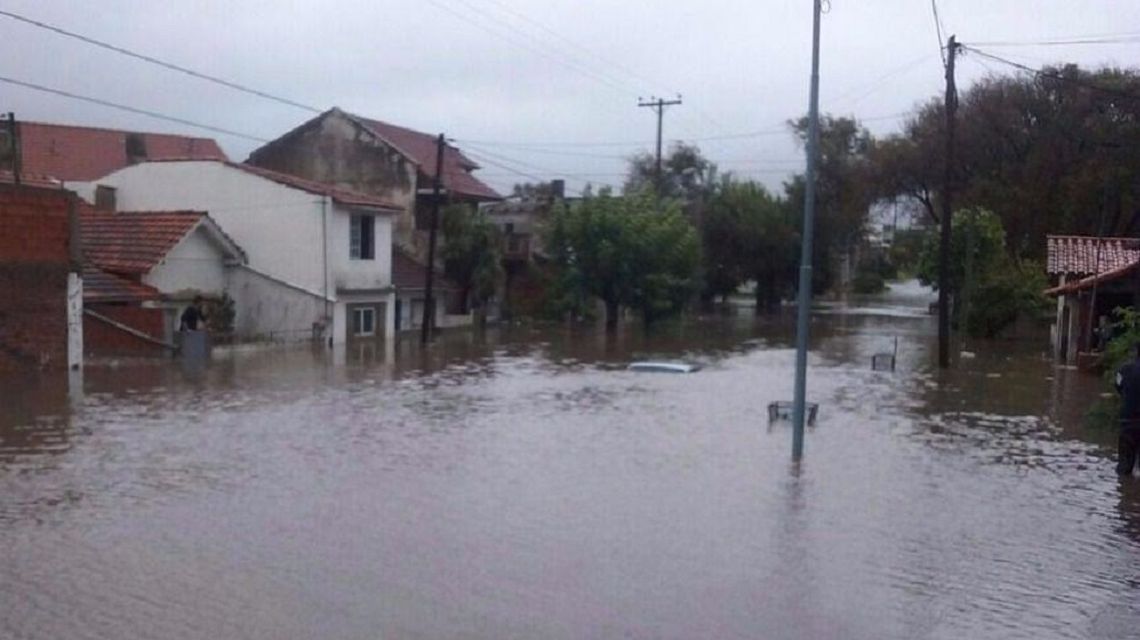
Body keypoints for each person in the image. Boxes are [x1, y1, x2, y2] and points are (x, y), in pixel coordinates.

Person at [1113, 343, 1140, 476]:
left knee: (1124, 466)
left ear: (1136, 352)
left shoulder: (1124, 369)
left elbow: (1118, 386)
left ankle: (1123, 492)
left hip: (1127, 421)